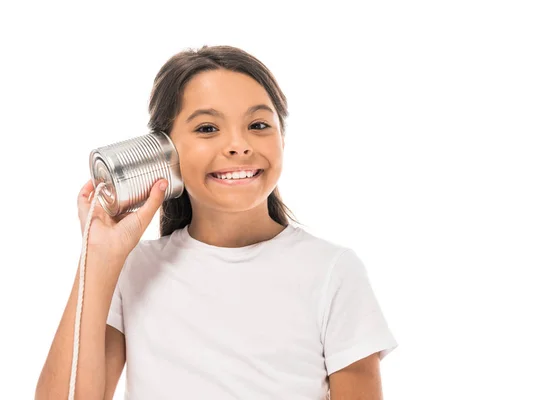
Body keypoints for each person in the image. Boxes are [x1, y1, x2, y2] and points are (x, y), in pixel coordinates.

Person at [35, 45, 398, 399]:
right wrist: (96, 259)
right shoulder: (133, 270)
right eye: (208, 128)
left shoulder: (333, 271)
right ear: (164, 149)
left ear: (282, 139)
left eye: (258, 124)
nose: (238, 145)